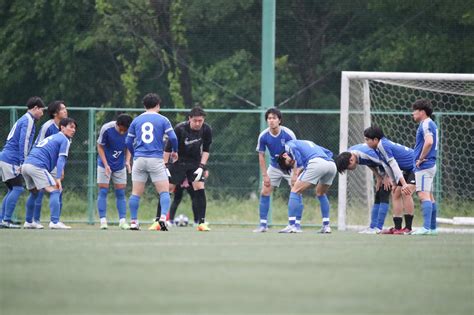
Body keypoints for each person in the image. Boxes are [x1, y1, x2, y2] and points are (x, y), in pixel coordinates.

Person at [150, 106, 212, 232]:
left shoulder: (206, 129)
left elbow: (206, 150)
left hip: (195, 163)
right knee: (167, 189)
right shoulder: (180, 129)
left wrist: (202, 166)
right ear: (189, 118)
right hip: (178, 162)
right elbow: (167, 148)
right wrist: (165, 166)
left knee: (199, 188)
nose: (198, 123)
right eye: (195, 120)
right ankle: (158, 221)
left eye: (200, 120)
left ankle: (201, 222)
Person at [125, 93, 178, 231]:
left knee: (135, 193)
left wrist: (135, 153)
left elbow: (128, 141)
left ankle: (134, 221)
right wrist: (175, 151)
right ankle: (162, 219)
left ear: (144, 106)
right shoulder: (163, 119)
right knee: (164, 191)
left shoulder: (136, 120)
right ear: (158, 105)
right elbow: (173, 138)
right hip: (156, 158)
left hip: (140, 159)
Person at [21, 118, 77, 229]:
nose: (73, 130)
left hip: (26, 165)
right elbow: (61, 159)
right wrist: (58, 178)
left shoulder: (53, 137)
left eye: (75, 128)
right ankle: (55, 222)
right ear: (62, 127)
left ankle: (28, 221)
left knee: (34, 193)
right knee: (55, 190)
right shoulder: (64, 140)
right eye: (71, 127)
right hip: (37, 166)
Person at [0, 96, 45, 228]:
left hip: (5, 158)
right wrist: (23, 162)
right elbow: (23, 142)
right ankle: (6, 220)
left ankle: (3, 219)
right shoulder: (29, 120)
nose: (42, 114)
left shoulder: (24, 119)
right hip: (11, 160)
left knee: (11, 189)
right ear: (35, 108)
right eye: (41, 110)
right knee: (18, 188)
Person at [277, 140, 337, 233]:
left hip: (317, 163)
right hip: (331, 164)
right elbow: (329, 152)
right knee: (320, 193)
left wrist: (296, 173)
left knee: (294, 190)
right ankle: (326, 226)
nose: (292, 163)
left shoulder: (287, 145)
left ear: (284, 155)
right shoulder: (308, 143)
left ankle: (291, 225)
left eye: (290, 162)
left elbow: (294, 150)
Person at [364, 126, 416, 234]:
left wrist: (403, 184)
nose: (366, 142)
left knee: (405, 192)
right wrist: (393, 182)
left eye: (367, 139)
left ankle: (408, 228)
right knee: (395, 192)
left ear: (375, 140)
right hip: (407, 169)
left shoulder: (383, 145)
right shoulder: (377, 148)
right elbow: (386, 165)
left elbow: (394, 164)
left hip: (416, 166)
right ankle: (397, 228)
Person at [254, 107, 297, 233]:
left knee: (296, 190)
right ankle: (263, 225)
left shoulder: (288, 134)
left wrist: (295, 173)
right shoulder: (263, 136)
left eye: (274, 118)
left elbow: (296, 153)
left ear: (279, 120)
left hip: (290, 167)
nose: (271, 120)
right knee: (265, 191)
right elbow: (261, 155)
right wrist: (265, 175)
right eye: (269, 118)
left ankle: (295, 225)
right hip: (274, 166)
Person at [335, 143, 390, 234]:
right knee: (378, 196)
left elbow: (388, 160)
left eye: (348, 168)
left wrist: (387, 176)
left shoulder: (366, 153)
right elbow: (369, 162)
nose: (349, 170)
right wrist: (378, 176)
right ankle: (373, 227)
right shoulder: (350, 154)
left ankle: (379, 228)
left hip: (393, 165)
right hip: (384, 166)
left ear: (351, 160)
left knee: (384, 193)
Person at [96, 114, 133, 230]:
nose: (123, 132)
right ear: (117, 124)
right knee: (103, 191)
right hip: (104, 165)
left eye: (125, 130)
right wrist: (106, 164)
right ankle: (103, 221)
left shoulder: (131, 131)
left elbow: (129, 147)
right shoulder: (106, 128)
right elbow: (100, 146)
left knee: (121, 193)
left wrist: (127, 161)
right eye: (121, 129)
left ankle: (122, 221)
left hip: (120, 166)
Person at [411, 99, 439, 235]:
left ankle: (426, 228)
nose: (412, 113)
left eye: (415, 110)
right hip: (431, 164)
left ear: (422, 112)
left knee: (423, 195)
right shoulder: (431, 123)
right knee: (430, 196)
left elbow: (429, 142)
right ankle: (433, 228)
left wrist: (420, 158)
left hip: (425, 165)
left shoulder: (426, 123)